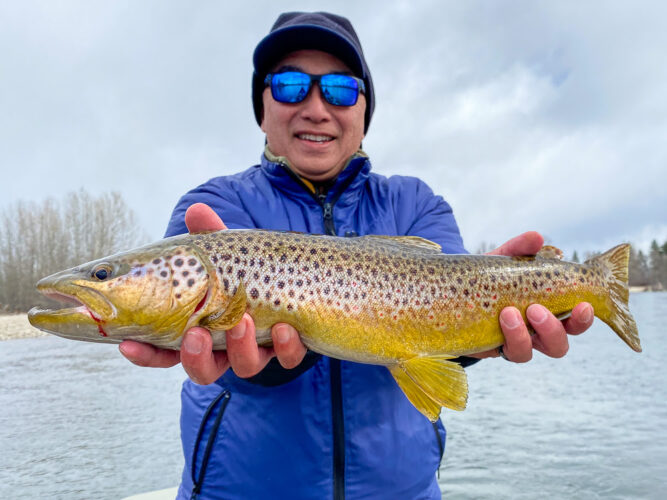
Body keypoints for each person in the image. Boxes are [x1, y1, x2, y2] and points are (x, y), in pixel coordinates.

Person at [119, 12, 594, 500]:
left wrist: (488, 326)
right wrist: (270, 363)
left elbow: (448, 317)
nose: (316, 108)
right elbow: (203, 342)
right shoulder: (216, 210)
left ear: (364, 111)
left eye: (341, 91)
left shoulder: (416, 204)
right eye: (289, 86)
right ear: (262, 108)